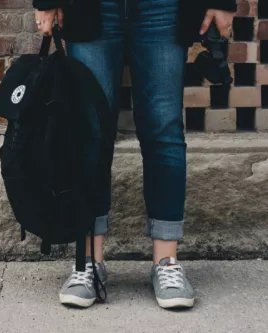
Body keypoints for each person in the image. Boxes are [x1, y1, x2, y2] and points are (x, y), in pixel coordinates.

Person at [33, 0, 236, 309]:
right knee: (91, 130)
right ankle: (88, 262)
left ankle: (166, 262)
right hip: (93, 7)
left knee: (164, 129)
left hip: (164, 7)